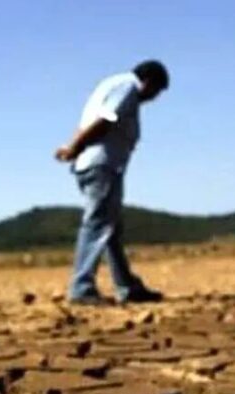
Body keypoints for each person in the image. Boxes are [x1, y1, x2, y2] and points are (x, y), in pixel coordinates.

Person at [55, 60, 169, 305]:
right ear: (149, 82)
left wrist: (72, 146)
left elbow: (90, 121)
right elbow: (106, 118)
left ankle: (127, 285)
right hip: (102, 165)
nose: (153, 99)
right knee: (97, 225)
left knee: (110, 229)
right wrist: (75, 147)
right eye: (156, 92)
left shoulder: (110, 85)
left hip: (93, 164)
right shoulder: (127, 87)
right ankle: (81, 288)